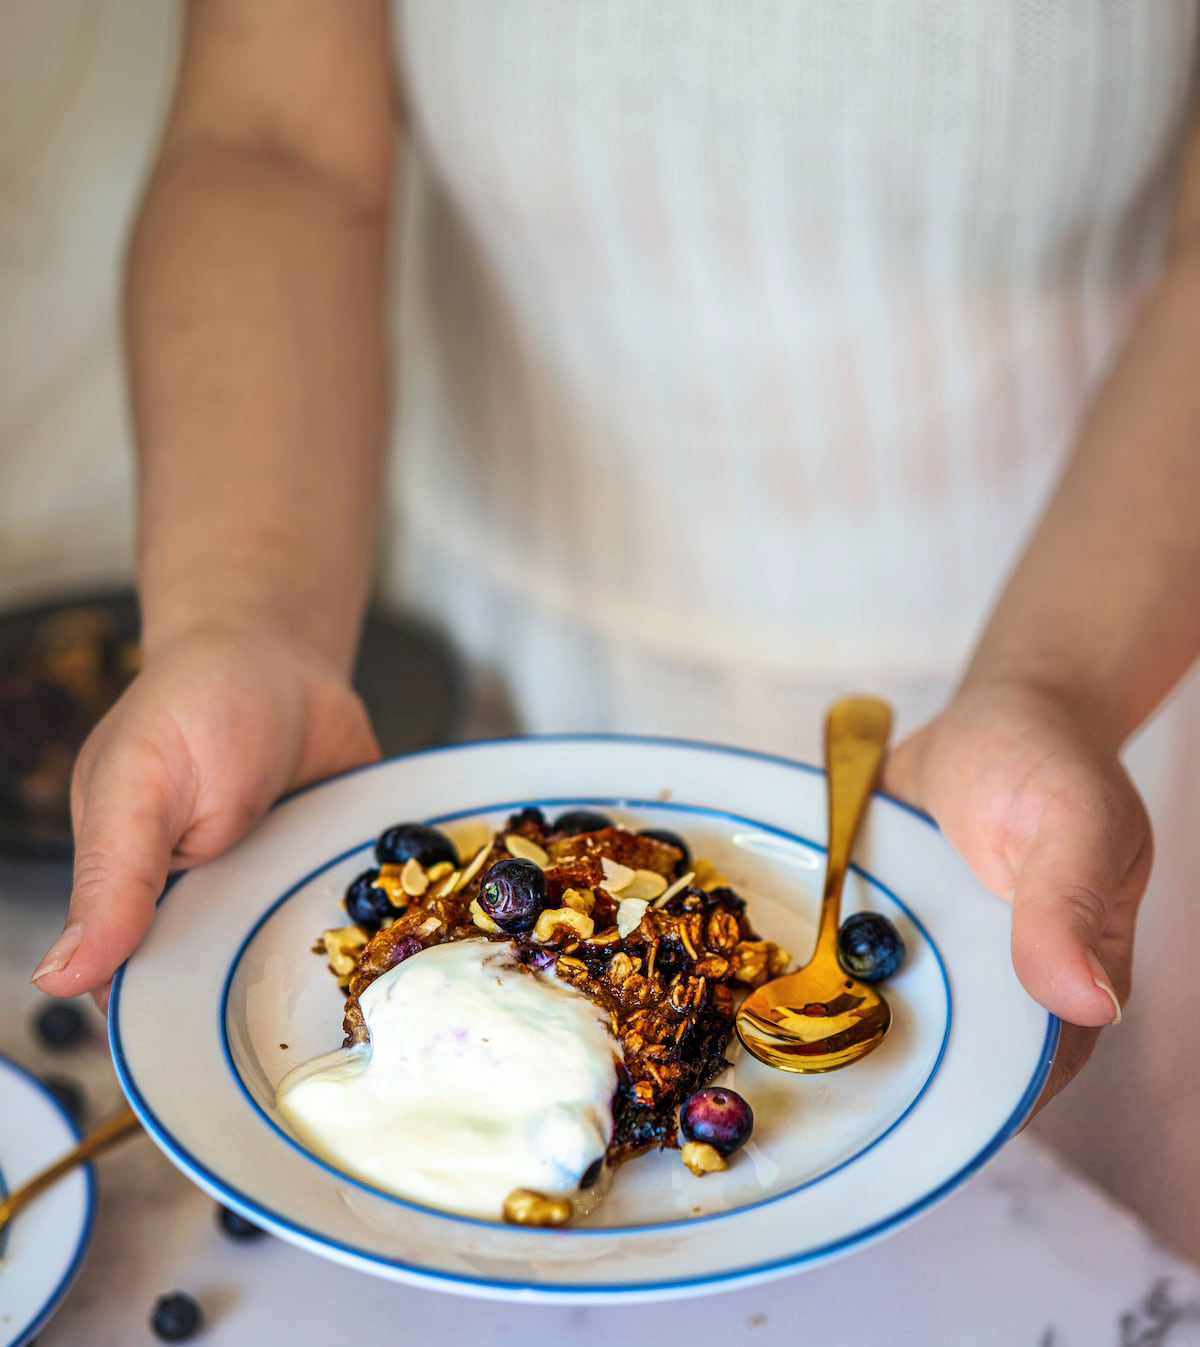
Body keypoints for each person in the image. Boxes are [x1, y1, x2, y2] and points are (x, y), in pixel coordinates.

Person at [29, 3, 1200, 1256]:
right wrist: (242, 619)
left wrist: (1061, 683)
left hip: (1067, 676)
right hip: (488, 678)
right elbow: (273, 143)